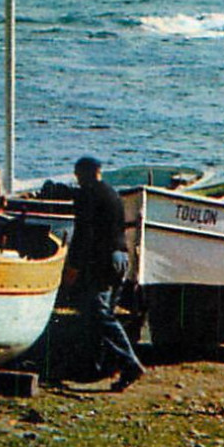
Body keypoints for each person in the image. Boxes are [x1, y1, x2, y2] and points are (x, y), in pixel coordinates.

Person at [71, 156, 145, 391]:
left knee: (100, 316)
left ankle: (129, 363)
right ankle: (100, 367)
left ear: (86, 173)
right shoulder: (112, 194)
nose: (77, 179)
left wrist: (73, 266)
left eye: (78, 174)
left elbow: (83, 234)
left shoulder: (88, 194)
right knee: (105, 315)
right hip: (121, 257)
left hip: (102, 261)